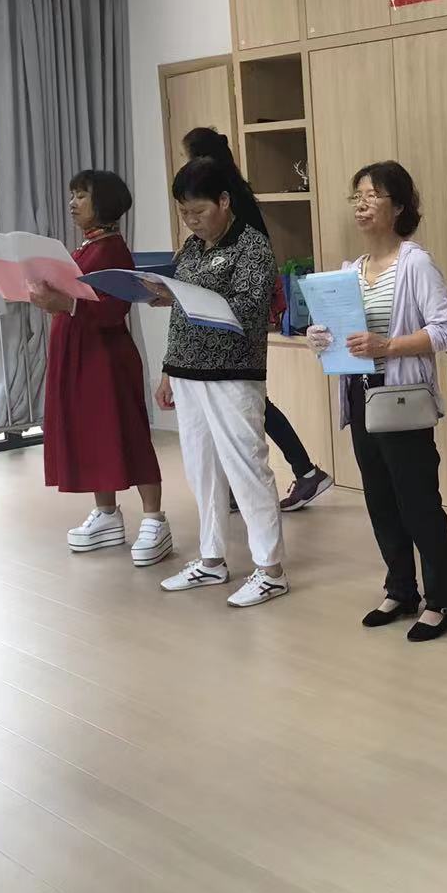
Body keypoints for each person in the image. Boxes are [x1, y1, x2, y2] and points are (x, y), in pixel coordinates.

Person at [307, 162, 447, 642]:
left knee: (418, 502)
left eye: (373, 195)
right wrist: (321, 339)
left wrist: (387, 346)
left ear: (398, 207)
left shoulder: (415, 263)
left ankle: (442, 601)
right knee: (379, 499)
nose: (362, 204)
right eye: (357, 196)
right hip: (360, 393)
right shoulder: (347, 272)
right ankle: (401, 589)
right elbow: (343, 338)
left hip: (401, 397)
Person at [154, 157, 290, 607]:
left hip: (232, 374)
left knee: (247, 467)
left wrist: (187, 296)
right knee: (202, 470)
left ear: (224, 201)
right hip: (188, 373)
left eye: (198, 211)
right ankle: (211, 559)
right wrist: (168, 369)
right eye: (184, 212)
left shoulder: (252, 247)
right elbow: (179, 318)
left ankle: (270, 569)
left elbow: (249, 311)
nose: (191, 221)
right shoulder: (190, 250)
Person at [181, 127, 332, 512]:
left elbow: (240, 272)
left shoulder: (233, 210)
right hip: (226, 320)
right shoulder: (237, 195)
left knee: (249, 403)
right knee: (246, 403)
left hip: (234, 319)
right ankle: (285, 474)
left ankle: (294, 473)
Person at [28, 169, 171, 566]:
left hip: (105, 356)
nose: (72, 203)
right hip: (80, 351)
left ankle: (155, 518)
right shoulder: (88, 248)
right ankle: (107, 513)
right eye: (73, 195)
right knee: (93, 432)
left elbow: (113, 309)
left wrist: (62, 303)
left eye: (81, 196)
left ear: (103, 202)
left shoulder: (111, 250)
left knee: (127, 431)